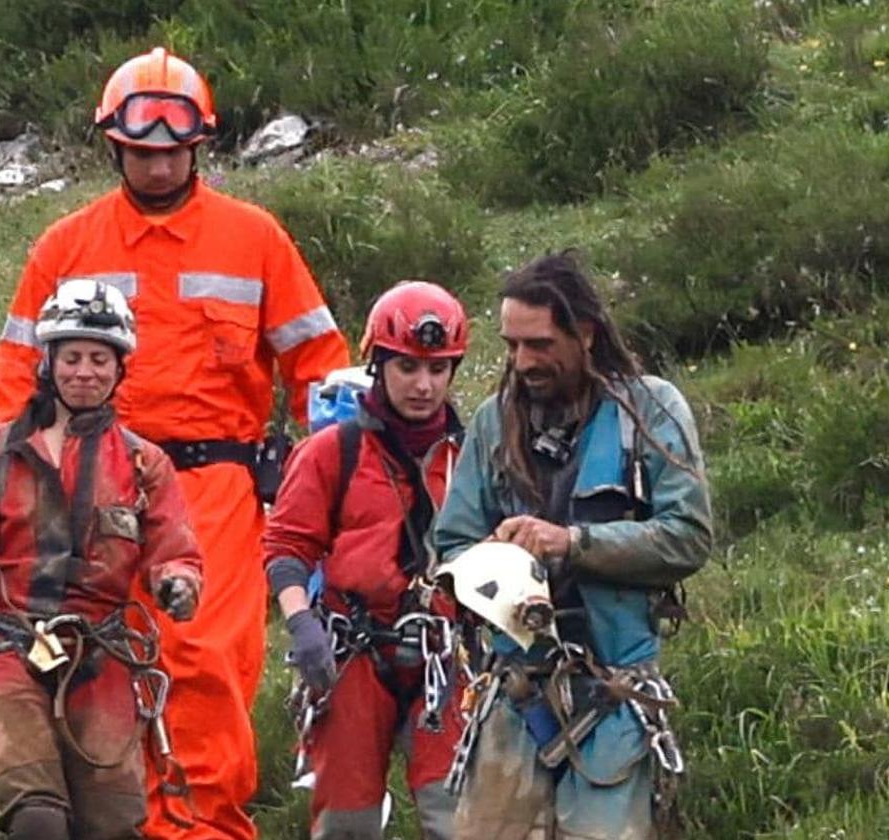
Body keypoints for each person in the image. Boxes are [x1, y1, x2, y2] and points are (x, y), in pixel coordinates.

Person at [0, 48, 350, 839]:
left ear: (198, 147)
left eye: (171, 151)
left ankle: (203, 827)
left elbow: (322, 371)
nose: (157, 165)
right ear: (115, 147)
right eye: (142, 151)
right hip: (88, 488)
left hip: (216, 491)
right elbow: (18, 378)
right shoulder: (66, 247)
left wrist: (335, 484)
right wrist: (21, 494)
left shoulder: (253, 240)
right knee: (90, 663)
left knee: (203, 665)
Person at [0, 280, 203, 840]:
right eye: (71, 357)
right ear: (48, 362)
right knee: (38, 819)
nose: (85, 372)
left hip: (101, 659)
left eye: (100, 359)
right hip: (8, 652)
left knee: (114, 827)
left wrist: (178, 583)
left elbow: (176, 550)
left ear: (120, 369)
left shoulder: (144, 464)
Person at [433, 251, 713, 840]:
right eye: (511, 345)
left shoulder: (650, 411)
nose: (521, 362)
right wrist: (497, 562)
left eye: (538, 344)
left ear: (584, 333)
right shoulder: (493, 422)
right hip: (514, 691)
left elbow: (688, 536)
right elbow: (451, 544)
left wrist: (572, 543)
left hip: (614, 692)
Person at [263, 282, 470, 839]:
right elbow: (286, 546)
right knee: (347, 823)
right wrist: (301, 624)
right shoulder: (334, 451)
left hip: (445, 655)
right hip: (353, 653)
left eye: (437, 369)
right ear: (378, 365)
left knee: (458, 818)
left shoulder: (473, 456)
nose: (423, 385)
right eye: (406, 367)